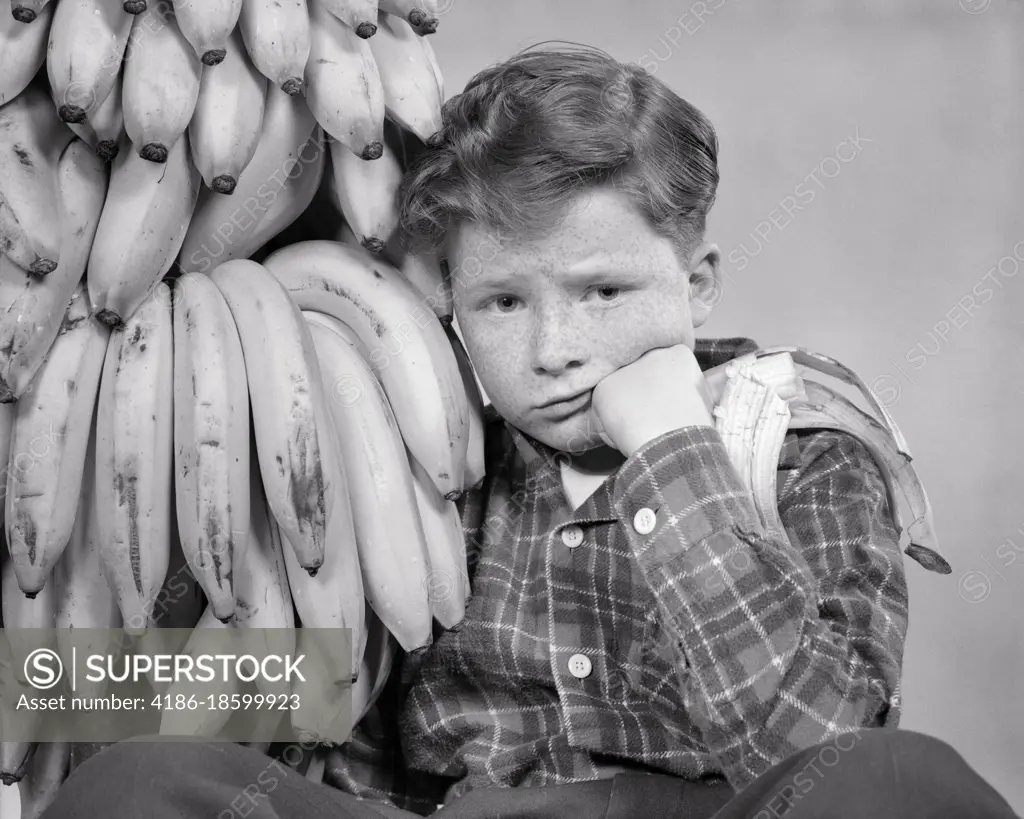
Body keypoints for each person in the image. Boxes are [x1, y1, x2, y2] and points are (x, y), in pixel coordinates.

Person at [42, 44, 1018, 819]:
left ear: (699, 282)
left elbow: (820, 745)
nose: (557, 348)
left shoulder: (800, 439)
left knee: (899, 781)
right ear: (452, 305)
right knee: (142, 784)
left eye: (603, 290)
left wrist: (674, 453)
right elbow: (287, 721)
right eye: (503, 302)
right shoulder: (422, 451)